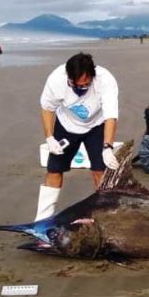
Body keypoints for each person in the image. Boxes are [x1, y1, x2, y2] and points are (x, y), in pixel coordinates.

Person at [35, 52, 119, 221]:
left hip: (96, 125)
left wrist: (108, 147)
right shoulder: (56, 79)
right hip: (66, 125)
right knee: (54, 169)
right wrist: (50, 138)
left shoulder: (106, 80)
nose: (81, 89)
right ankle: (42, 218)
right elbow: (47, 108)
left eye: (86, 85)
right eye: (76, 85)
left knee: (99, 170)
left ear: (93, 76)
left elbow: (111, 115)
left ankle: (106, 217)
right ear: (69, 77)